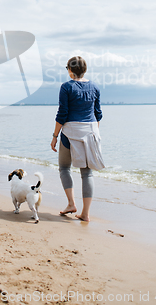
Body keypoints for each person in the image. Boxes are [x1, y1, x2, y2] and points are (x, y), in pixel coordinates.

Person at [51, 56, 103, 222]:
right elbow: (98, 113)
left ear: (70, 70)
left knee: (64, 168)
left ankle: (71, 204)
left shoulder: (66, 87)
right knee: (87, 174)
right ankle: (85, 214)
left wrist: (54, 136)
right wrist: (94, 133)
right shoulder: (94, 86)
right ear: (85, 70)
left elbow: (62, 114)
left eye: (67, 68)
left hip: (70, 132)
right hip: (90, 131)